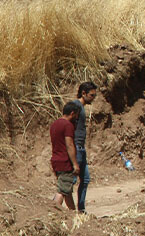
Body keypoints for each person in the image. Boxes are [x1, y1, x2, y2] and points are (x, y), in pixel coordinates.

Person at [50, 101, 81, 211]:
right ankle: (52, 212)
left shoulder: (55, 124)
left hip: (56, 160)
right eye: (76, 115)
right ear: (72, 113)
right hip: (65, 162)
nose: (77, 118)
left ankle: (73, 214)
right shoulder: (67, 125)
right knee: (62, 191)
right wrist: (75, 164)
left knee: (66, 190)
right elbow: (69, 144)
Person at [71, 82, 96, 212]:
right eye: (91, 95)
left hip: (80, 147)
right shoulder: (76, 106)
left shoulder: (80, 106)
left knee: (85, 179)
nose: (93, 98)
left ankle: (81, 209)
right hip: (76, 147)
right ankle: (56, 205)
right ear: (83, 93)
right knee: (72, 180)